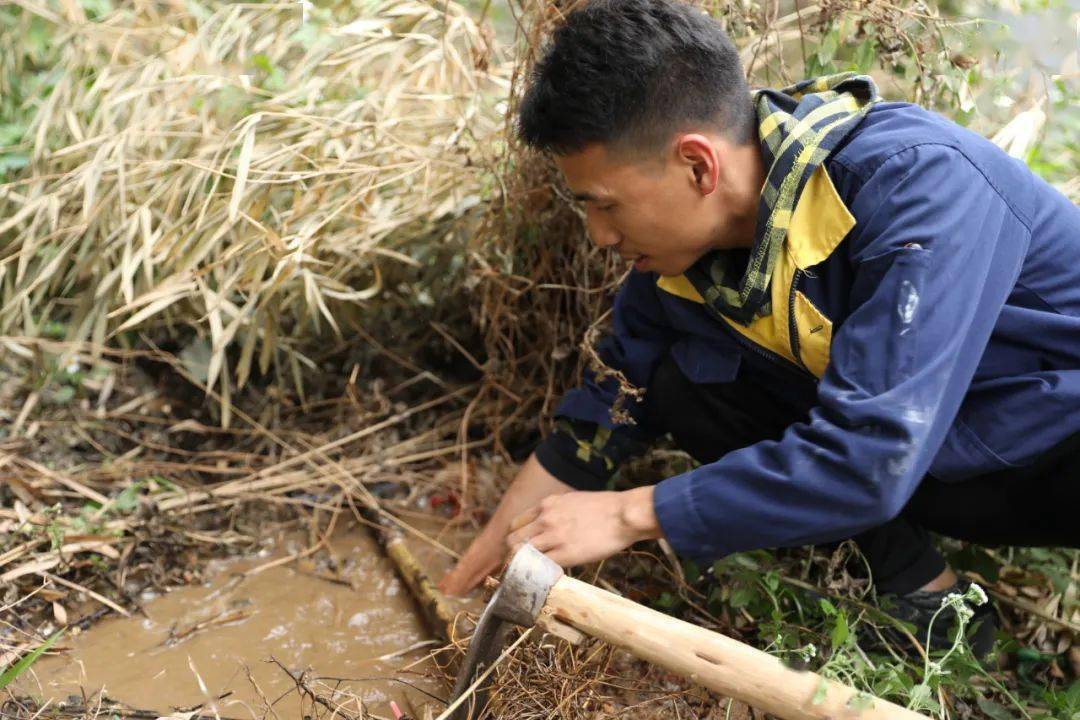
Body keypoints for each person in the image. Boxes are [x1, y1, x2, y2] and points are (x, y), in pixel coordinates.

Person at [437, 0, 1080, 654]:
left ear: (698, 165)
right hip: (937, 462)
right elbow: (603, 415)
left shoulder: (917, 186)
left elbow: (870, 462)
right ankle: (926, 594)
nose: (599, 236)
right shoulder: (680, 264)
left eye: (605, 205)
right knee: (673, 380)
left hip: (1053, 460)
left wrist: (634, 514)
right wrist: (473, 575)